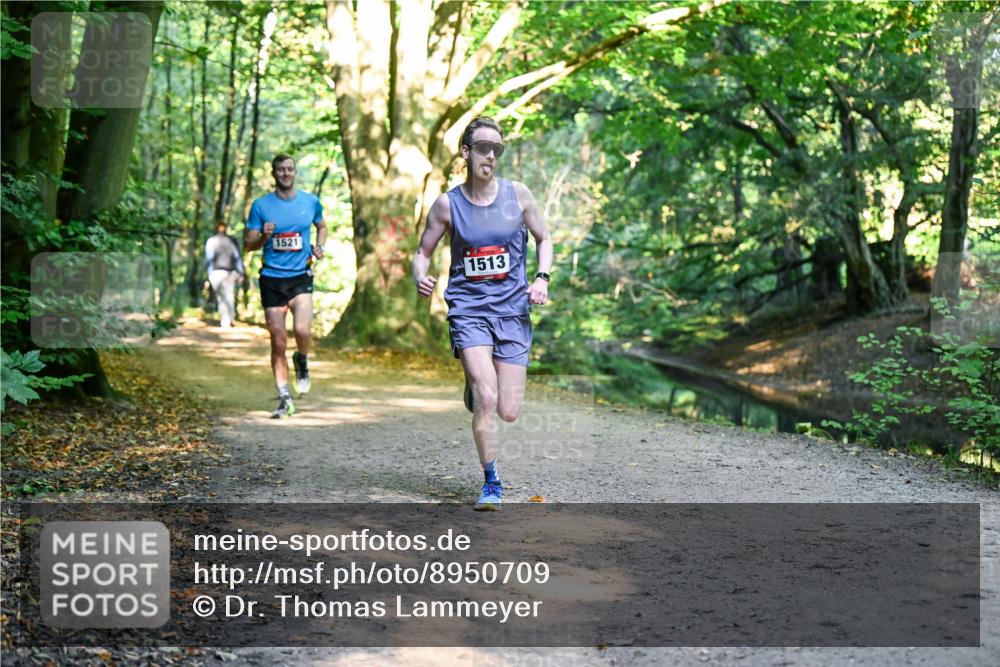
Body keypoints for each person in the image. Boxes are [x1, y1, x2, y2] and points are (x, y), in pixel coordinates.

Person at [412, 117, 553, 510]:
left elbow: (544, 238)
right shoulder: (447, 204)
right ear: (466, 152)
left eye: (497, 149)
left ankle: (476, 389)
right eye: (483, 147)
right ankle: (491, 482)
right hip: (468, 310)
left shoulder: (518, 196)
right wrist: (421, 278)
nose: (491, 155)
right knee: (488, 397)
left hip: (512, 312)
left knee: (508, 410)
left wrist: (541, 278)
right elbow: (422, 252)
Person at [244, 154, 328, 418]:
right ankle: (283, 396)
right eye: (280, 170)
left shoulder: (310, 202)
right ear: (274, 174)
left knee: (302, 329)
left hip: (300, 275)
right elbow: (248, 244)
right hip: (271, 278)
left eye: (289, 169)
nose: (285, 173)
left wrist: (320, 246)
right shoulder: (261, 206)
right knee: (278, 341)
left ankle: (302, 361)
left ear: (295, 172)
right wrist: (264, 236)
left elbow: (322, 226)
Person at [205, 221, 245, 328]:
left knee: (221, 297)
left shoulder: (211, 241)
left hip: (217, 273)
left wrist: (209, 275)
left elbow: (209, 259)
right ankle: (230, 318)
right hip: (229, 272)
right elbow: (237, 258)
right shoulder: (232, 241)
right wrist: (241, 272)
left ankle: (225, 320)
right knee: (229, 296)